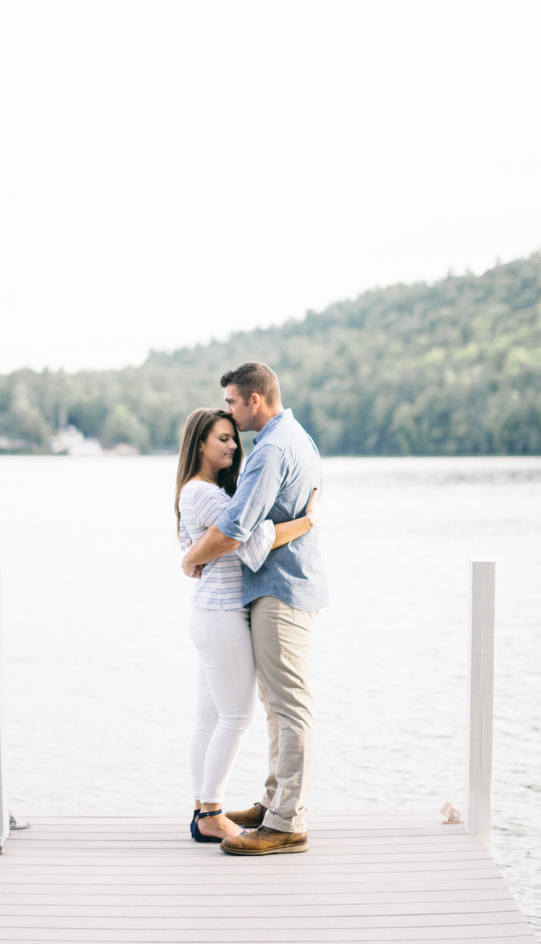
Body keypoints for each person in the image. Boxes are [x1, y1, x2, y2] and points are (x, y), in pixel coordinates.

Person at [182, 362, 327, 856]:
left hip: (279, 588)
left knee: (286, 707)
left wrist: (190, 559)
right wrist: (306, 523)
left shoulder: (270, 449)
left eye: (231, 404)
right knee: (271, 708)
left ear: (255, 401)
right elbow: (245, 533)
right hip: (266, 591)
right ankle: (271, 806)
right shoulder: (296, 437)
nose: (229, 415)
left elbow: (237, 534)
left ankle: (286, 819)